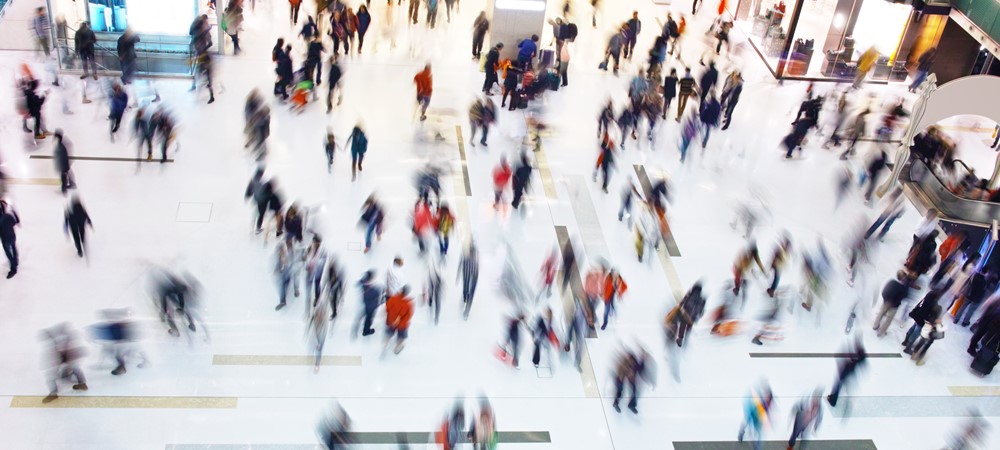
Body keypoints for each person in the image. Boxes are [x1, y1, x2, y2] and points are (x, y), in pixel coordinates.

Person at [41, 324, 88, 403]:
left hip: (67, 356)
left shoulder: (62, 338)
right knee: (71, 369)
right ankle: (80, 382)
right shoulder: (60, 337)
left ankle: (54, 393)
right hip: (65, 356)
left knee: (72, 368)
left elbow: (64, 350)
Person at [827, 339, 867, 407]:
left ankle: (833, 400)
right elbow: (863, 362)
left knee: (838, 384)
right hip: (850, 370)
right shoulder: (860, 352)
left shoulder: (856, 353)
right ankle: (834, 397)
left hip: (846, 370)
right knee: (840, 382)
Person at [384, 286, 414, 354]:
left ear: (401, 290)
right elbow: (409, 315)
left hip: (391, 320)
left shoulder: (393, 298)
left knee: (388, 334)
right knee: (401, 337)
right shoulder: (408, 303)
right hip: (402, 324)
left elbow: (387, 308)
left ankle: (384, 346)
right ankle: (397, 348)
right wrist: (401, 322)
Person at [458, 241, 479, 319]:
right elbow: (461, 262)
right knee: (467, 289)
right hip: (470, 273)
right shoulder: (466, 252)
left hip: (471, 273)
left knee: (469, 291)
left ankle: (466, 311)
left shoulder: (470, 252)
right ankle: (465, 298)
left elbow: (461, 262)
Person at [0, 201, 20, 279]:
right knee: (14, 248)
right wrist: (14, 212)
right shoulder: (8, 216)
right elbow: (16, 222)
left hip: (5, 239)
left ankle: (13, 269)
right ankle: (16, 262)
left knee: (8, 253)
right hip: (12, 236)